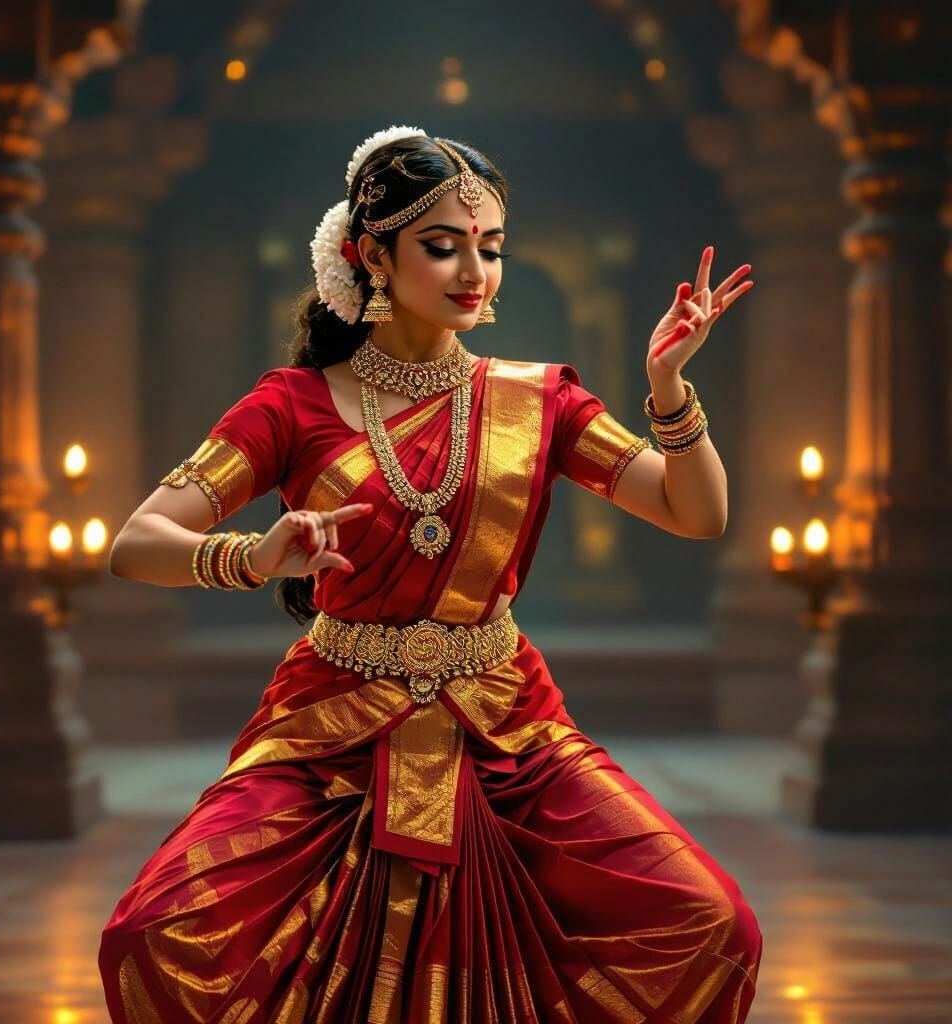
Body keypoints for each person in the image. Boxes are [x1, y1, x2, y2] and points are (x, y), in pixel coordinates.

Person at [98, 125, 760, 1023]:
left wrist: (669, 387)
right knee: (155, 935)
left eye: (492, 248)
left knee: (711, 923)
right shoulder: (291, 404)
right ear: (373, 255)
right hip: (329, 727)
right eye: (443, 246)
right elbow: (137, 541)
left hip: (507, 727)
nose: (475, 272)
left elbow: (696, 512)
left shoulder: (540, 399)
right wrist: (250, 557)